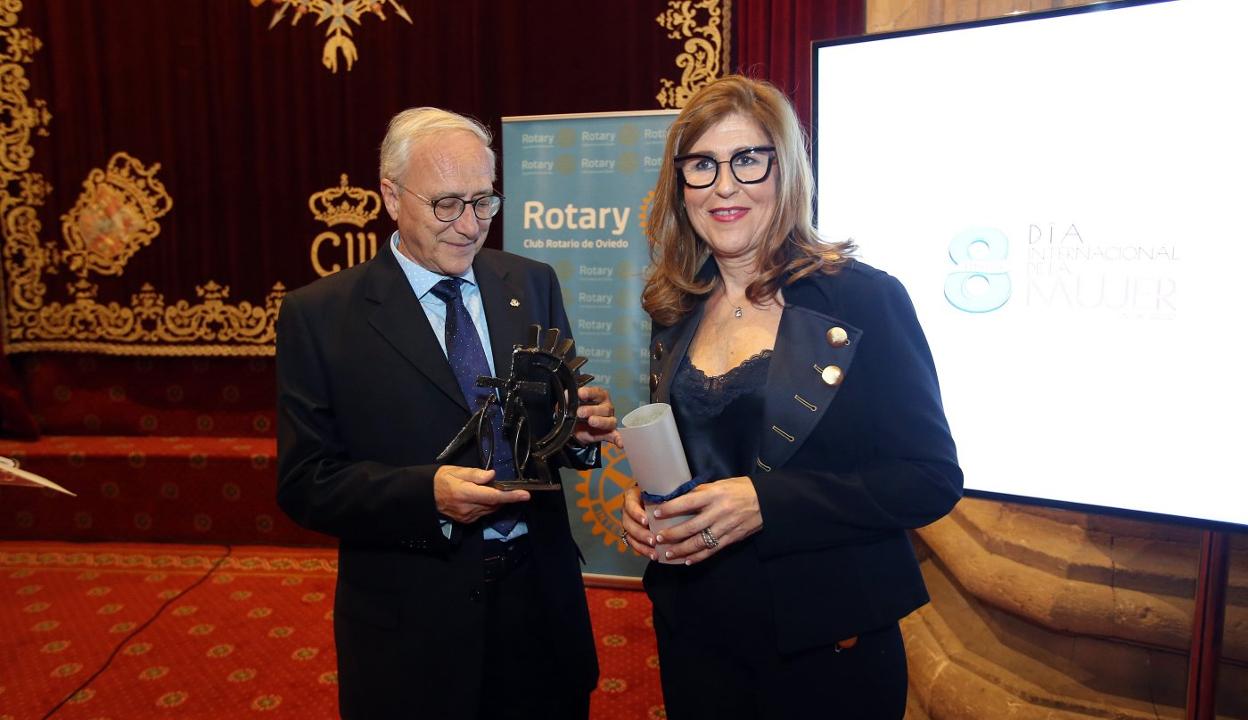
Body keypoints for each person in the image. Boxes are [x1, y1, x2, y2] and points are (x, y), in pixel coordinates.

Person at [620, 75, 963, 718]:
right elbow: (706, 455)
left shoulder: (864, 300)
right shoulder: (675, 309)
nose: (725, 186)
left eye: (748, 160)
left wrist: (766, 502)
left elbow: (929, 480)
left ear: (788, 171)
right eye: (702, 165)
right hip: (696, 634)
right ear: (680, 184)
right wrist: (650, 502)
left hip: (826, 646)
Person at [276, 107, 620, 720]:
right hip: (412, 626)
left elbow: (547, 435)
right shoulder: (321, 317)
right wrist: (424, 495)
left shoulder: (531, 281)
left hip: (540, 603)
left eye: (484, 202)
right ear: (390, 195)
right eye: (446, 205)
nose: (469, 227)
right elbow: (305, 484)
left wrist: (580, 431)